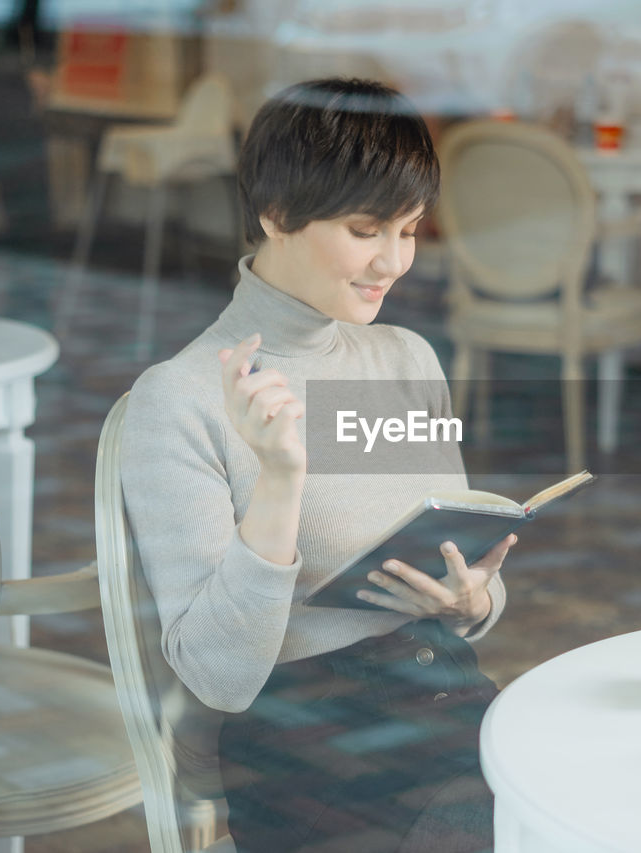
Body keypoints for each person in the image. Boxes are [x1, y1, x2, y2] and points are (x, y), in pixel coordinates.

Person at [120, 78, 512, 853]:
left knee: (578, 789)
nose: (394, 262)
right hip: (305, 740)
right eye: (367, 230)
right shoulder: (183, 397)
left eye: (408, 230)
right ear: (276, 214)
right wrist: (279, 483)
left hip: (444, 693)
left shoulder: (402, 357)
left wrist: (472, 598)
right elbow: (218, 676)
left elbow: (465, 568)